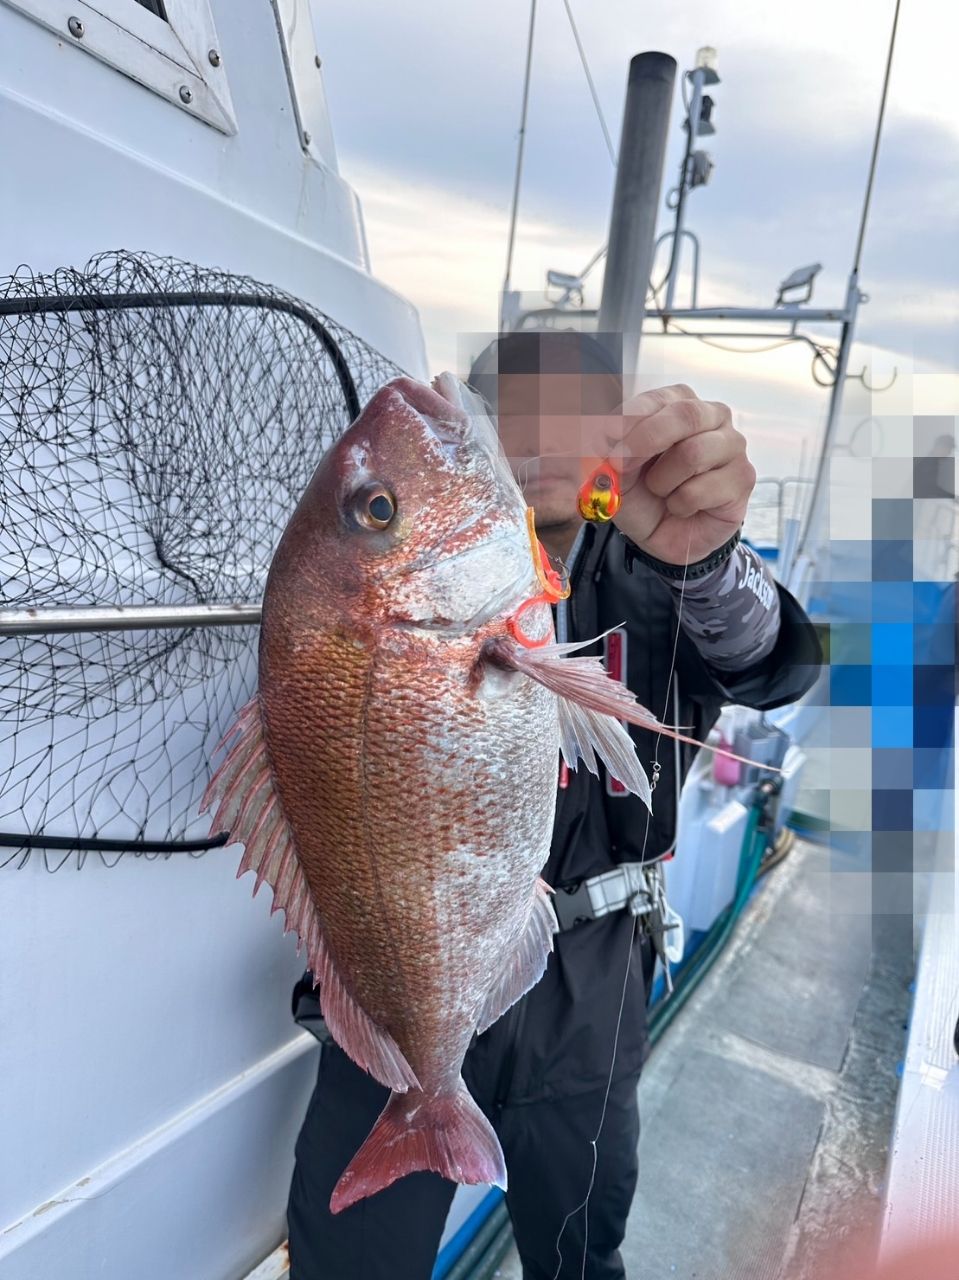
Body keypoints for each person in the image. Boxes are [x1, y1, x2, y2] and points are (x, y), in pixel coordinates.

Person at [285, 330, 822, 1280]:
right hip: (401, 971)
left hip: (591, 977)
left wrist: (708, 558)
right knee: (348, 1262)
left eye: (576, 417)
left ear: (616, 442)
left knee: (579, 1246)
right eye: (514, 412)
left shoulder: (662, 571)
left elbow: (772, 664)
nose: (543, 440)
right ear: (484, 432)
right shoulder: (386, 593)